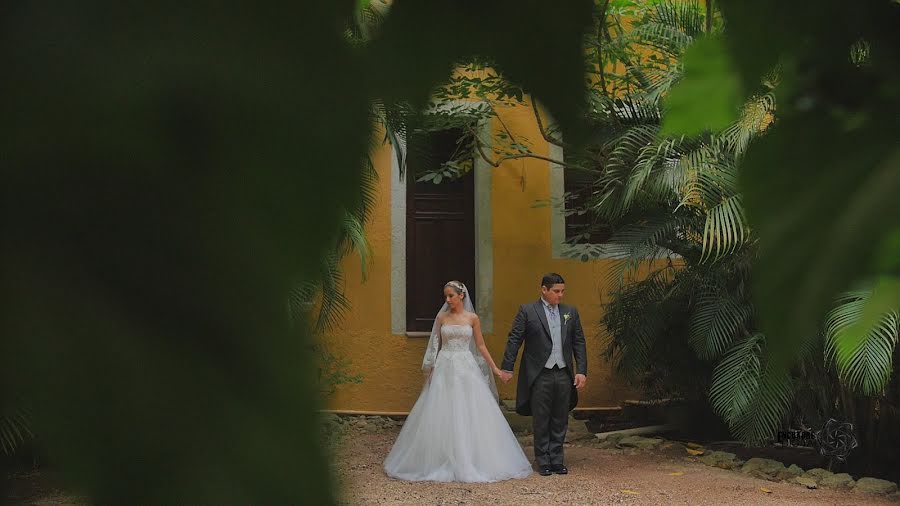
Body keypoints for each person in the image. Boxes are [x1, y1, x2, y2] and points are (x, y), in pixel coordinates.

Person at [383, 281, 532, 482]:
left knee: (469, 410)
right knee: (441, 410)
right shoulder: (441, 317)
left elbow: (480, 345)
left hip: (465, 368)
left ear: (461, 296)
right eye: (445, 296)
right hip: (444, 366)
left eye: (451, 295)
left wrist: (495, 369)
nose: (447, 300)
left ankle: (470, 458)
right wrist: (430, 369)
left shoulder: (472, 318)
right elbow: (434, 345)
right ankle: (440, 457)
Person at [499, 273, 587, 476]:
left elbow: (578, 341)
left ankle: (557, 459)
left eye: (563, 291)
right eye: (556, 291)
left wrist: (581, 370)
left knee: (560, 417)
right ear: (544, 290)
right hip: (540, 373)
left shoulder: (570, 312)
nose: (560, 295)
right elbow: (515, 339)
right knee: (541, 417)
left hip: (564, 373)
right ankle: (543, 460)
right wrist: (507, 367)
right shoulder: (528, 311)